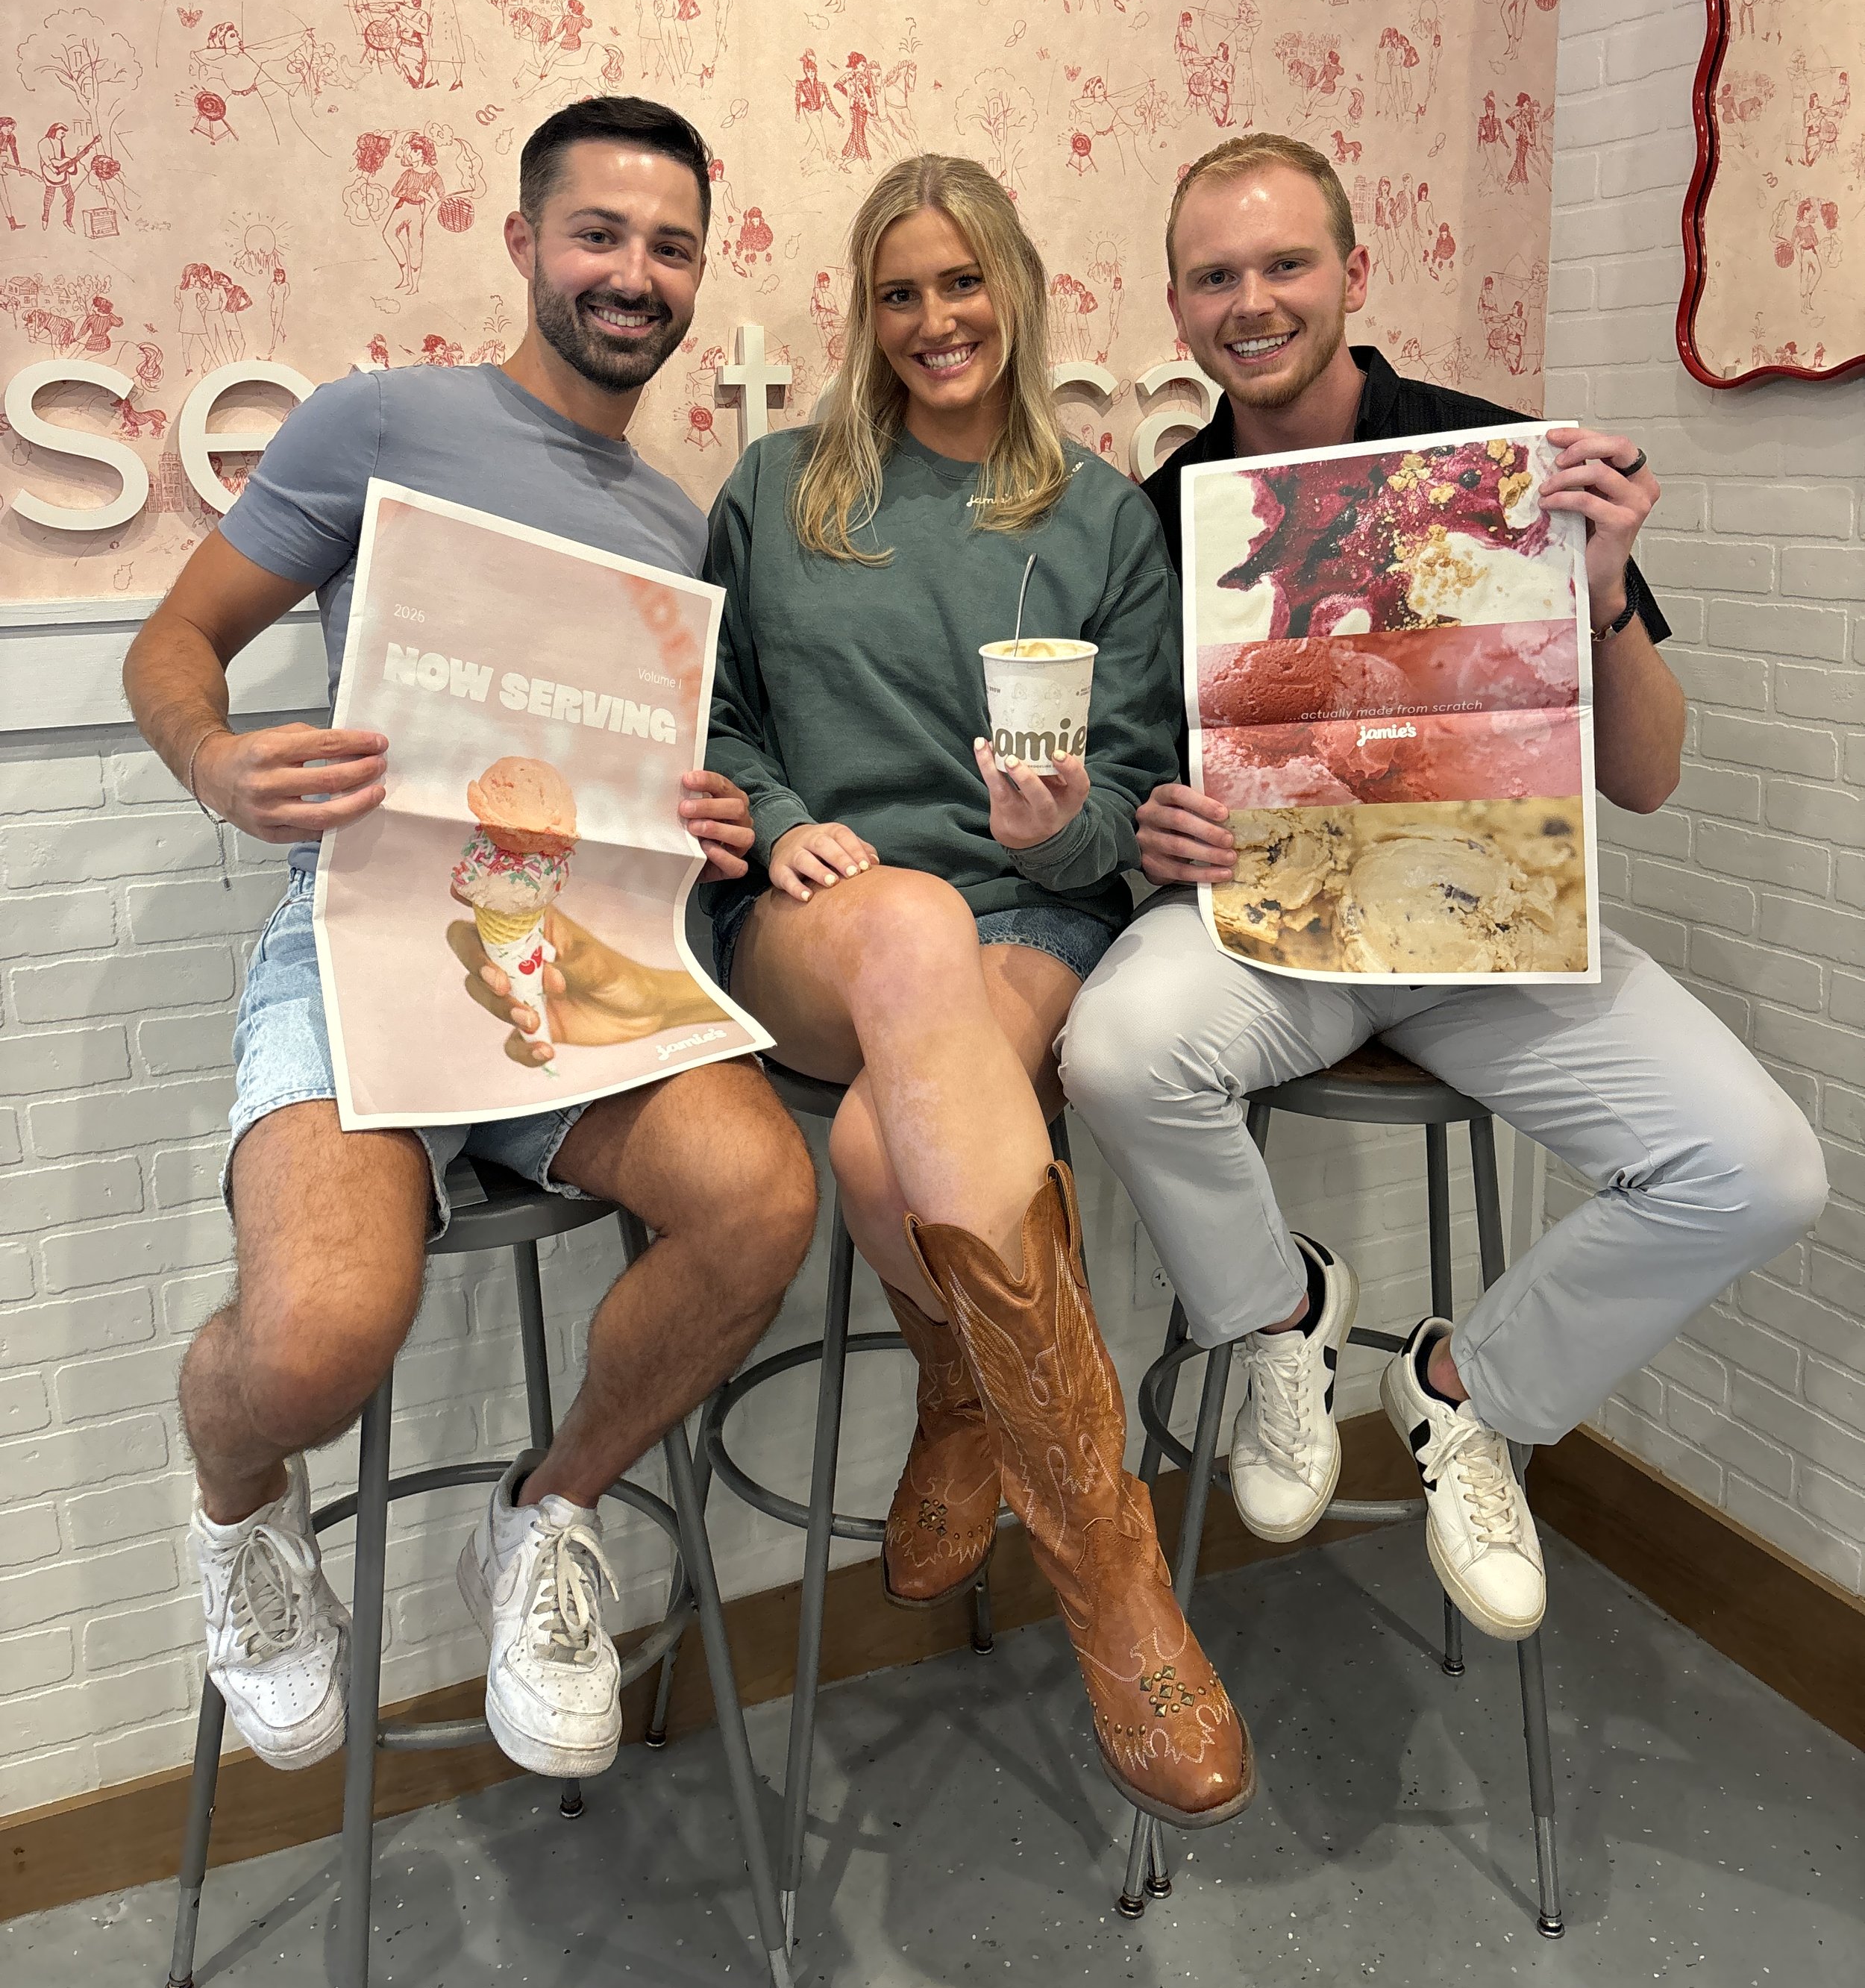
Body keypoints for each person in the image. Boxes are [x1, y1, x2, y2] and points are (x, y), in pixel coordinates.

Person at [122, 96, 818, 1781]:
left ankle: (546, 1510)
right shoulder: (379, 420)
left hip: (563, 962)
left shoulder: (674, 524)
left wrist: (707, 822)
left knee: (761, 1198)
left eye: (667, 245)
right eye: (598, 234)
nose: (631, 274)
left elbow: (648, 778)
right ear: (523, 243)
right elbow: (174, 643)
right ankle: (236, 1510)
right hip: (358, 932)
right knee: (312, 1341)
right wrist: (219, 759)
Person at [1061, 131, 1827, 1643]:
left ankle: (1460, 1390)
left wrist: (1596, 594)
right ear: (1174, 302)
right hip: (1272, 942)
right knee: (1114, 1050)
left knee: (1757, 1167)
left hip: (1486, 932)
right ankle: (1278, 1314)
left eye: (1284, 263)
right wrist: (1154, 829)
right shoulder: (1153, 521)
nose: (1252, 299)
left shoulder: (1493, 469)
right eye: (1215, 274)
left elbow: (1649, 775)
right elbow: (1136, 788)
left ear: (1352, 270)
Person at [700, 154, 1252, 1829]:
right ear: (863, 315)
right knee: (903, 921)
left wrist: (1064, 817)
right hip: (828, 922)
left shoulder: (1097, 517)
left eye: (963, 284)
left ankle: (965, 1391)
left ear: (1013, 293)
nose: (935, 319)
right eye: (899, 291)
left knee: (882, 1155)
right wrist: (787, 822)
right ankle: (1113, 1571)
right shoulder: (780, 489)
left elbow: (1139, 803)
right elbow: (710, 719)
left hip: (1026, 906)